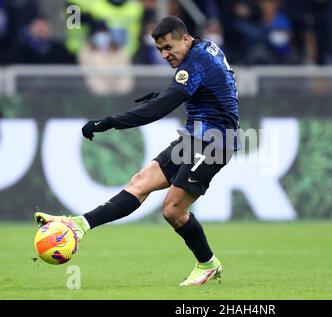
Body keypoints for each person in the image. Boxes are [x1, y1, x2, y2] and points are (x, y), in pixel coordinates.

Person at [34, 16, 240, 286]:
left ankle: (208, 264)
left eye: (168, 47)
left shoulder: (195, 62)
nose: (165, 55)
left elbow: (159, 110)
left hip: (214, 143)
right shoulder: (203, 49)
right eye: (159, 50)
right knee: (140, 183)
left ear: (186, 39)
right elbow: (210, 86)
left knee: (173, 211)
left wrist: (109, 122)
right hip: (195, 137)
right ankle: (78, 225)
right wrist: (167, 93)